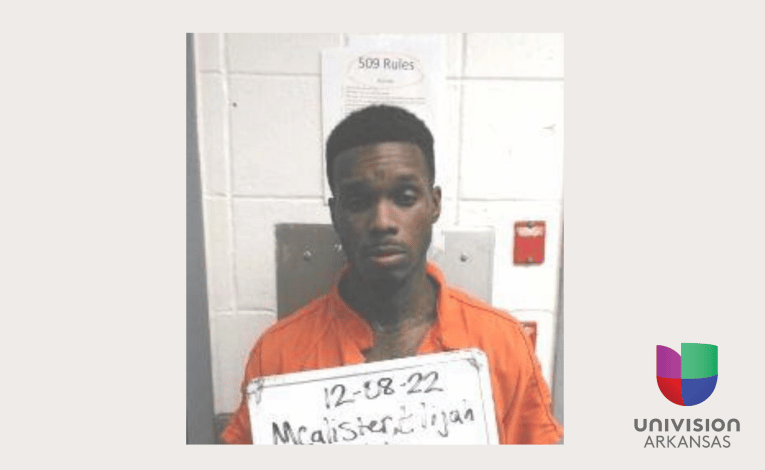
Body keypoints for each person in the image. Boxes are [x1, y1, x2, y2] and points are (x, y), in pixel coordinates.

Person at [221, 104, 563, 444]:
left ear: (434, 204)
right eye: (358, 202)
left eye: (404, 197)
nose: (382, 222)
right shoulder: (278, 354)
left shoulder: (501, 343)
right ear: (335, 214)